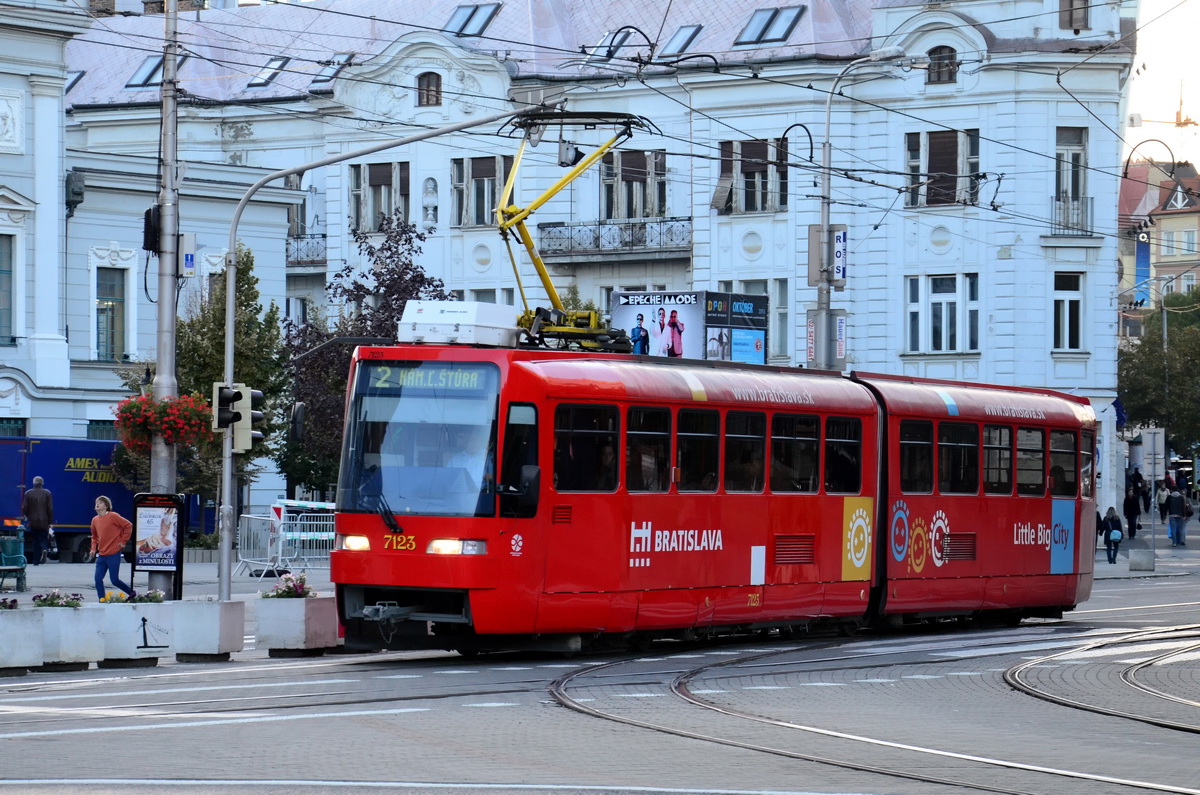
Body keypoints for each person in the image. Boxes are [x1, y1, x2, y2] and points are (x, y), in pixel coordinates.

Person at [90, 495, 134, 601]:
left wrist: (123, 541)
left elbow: (128, 525)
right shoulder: (95, 520)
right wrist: (93, 548)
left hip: (113, 553)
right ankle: (102, 600)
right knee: (97, 579)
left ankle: (131, 593)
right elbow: (94, 536)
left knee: (114, 580)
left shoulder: (113, 516)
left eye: (100, 502)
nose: (97, 504)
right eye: (96, 502)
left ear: (106, 505)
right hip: (102, 554)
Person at [20, 475, 53, 565]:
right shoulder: (47, 493)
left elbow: (24, 507)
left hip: (33, 521)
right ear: (42, 483)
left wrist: (28, 516)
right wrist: (49, 521)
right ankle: (44, 549)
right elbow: (50, 508)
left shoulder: (28, 493)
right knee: (43, 538)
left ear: (33, 483)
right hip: (44, 521)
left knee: (35, 541)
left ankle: (36, 561)